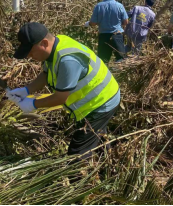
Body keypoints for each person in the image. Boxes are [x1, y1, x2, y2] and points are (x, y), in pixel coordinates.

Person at [7, 23, 121, 158]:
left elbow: (60, 98)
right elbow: (46, 73)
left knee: (77, 155)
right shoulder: (56, 44)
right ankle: (105, 162)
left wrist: (32, 104)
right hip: (99, 99)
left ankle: (78, 177)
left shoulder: (67, 60)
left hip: (100, 103)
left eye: (31, 52)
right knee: (97, 137)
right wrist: (27, 90)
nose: (30, 56)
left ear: (44, 43)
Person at [86, 0, 128, 64]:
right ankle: (117, 75)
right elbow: (125, 22)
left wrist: (88, 24)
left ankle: (104, 75)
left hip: (104, 36)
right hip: (117, 36)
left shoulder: (99, 6)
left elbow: (93, 23)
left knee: (103, 61)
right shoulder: (120, 6)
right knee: (121, 60)